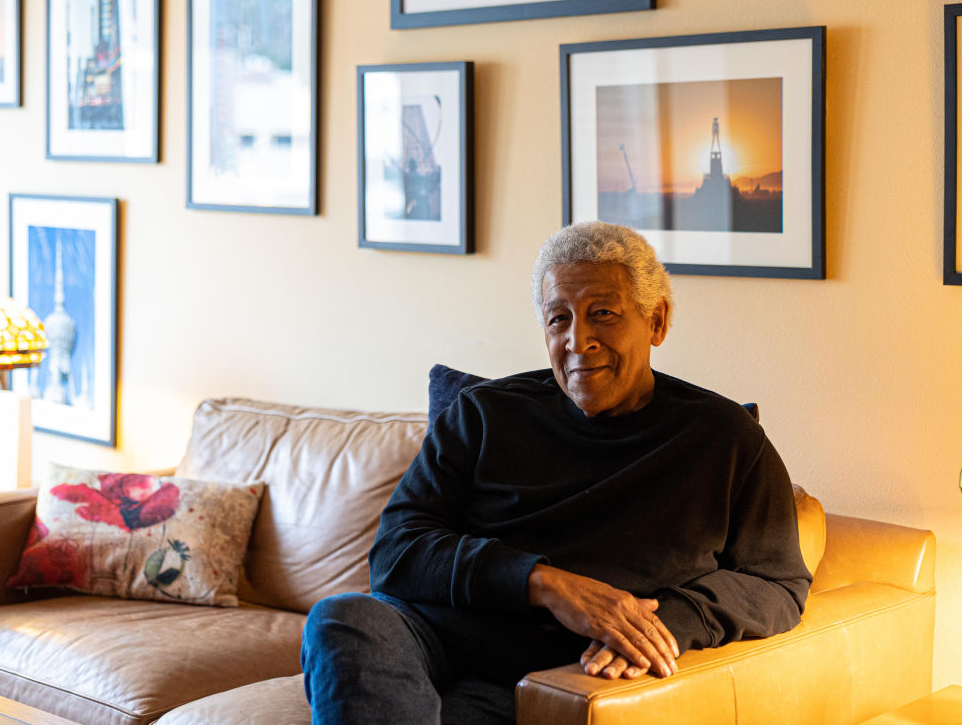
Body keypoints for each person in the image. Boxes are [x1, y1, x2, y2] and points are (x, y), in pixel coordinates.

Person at [302, 221, 811, 724]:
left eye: (603, 314)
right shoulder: (483, 414)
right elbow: (395, 551)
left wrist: (668, 622)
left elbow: (779, 583)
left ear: (656, 321)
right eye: (558, 319)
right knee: (343, 617)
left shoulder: (724, 438)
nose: (577, 340)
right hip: (431, 639)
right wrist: (543, 582)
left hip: (563, 672)